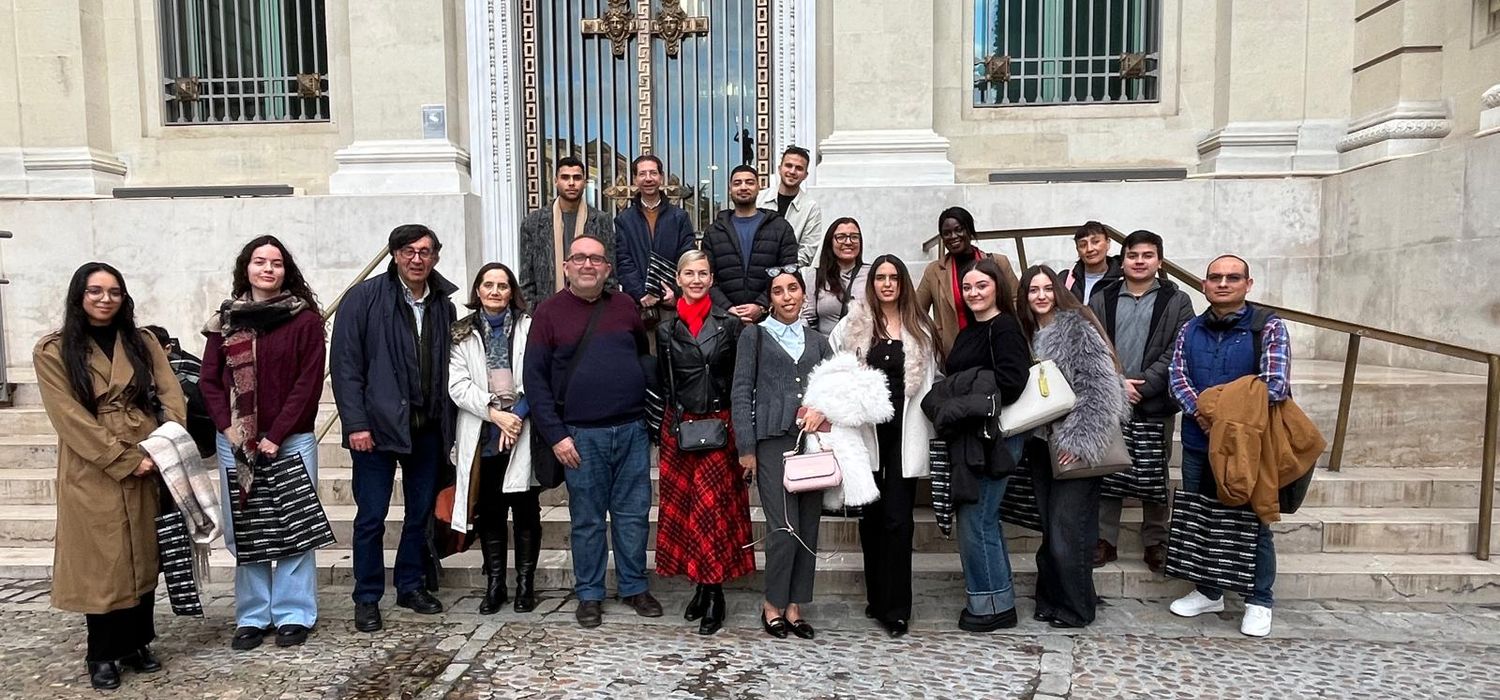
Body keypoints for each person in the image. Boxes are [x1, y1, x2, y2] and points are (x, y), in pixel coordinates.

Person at [34, 262, 186, 690]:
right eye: (96, 291)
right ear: (79, 296)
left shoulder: (142, 341)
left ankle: (138, 642)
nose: (106, 299)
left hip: (148, 449)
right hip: (93, 464)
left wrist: (165, 442)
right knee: (104, 561)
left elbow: (171, 392)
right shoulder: (53, 350)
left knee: (143, 553)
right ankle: (101, 652)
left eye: (114, 292)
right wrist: (122, 458)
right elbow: (68, 415)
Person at [523, 235, 661, 629]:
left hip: (631, 431)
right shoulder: (548, 313)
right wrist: (556, 435)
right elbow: (534, 380)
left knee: (633, 515)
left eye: (596, 259)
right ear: (566, 266)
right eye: (580, 258)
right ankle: (589, 593)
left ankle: (634, 586)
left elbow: (641, 354)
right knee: (587, 520)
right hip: (580, 437)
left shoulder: (625, 306)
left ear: (607, 268)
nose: (588, 265)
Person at [330, 224, 459, 632]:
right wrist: (355, 423)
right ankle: (367, 596)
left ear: (435, 256)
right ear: (394, 255)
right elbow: (346, 366)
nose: (417, 259)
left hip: (426, 427)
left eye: (425, 251)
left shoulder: (443, 303)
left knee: (419, 514)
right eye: (408, 251)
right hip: (376, 429)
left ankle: (410, 584)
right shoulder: (363, 298)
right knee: (372, 515)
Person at [199, 236, 326, 651]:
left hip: (290, 439)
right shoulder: (226, 319)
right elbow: (209, 380)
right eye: (260, 261)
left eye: (276, 263)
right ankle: (252, 615)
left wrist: (275, 435)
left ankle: (293, 613)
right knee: (246, 528)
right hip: (235, 441)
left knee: (294, 524)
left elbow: (308, 382)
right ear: (246, 268)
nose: (268, 269)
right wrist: (227, 427)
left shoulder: (305, 320)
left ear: (286, 270)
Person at [1167, 254, 1291, 638]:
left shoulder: (1268, 327)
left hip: (1247, 447)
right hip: (1198, 442)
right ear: (1204, 285)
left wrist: (1219, 416)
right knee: (1202, 516)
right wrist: (1202, 412)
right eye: (1215, 277)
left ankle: (1259, 599)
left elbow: (1273, 385)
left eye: (1232, 277)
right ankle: (1209, 591)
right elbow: (1178, 377)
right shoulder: (1190, 329)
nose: (1223, 283)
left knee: (1254, 522)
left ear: (1247, 284)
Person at [826, 255, 939, 638]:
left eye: (894, 277)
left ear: (902, 282)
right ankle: (876, 598)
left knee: (899, 519)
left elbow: (930, 379)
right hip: (866, 431)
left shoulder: (919, 326)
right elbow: (836, 367)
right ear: (872, 283)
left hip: (904, 432)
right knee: (871, 518)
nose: (887, 284)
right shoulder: (854, 323)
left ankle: (897, 608)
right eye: (880, 277)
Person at [1015, 265, 1129, 629]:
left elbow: (1101, 388)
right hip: (1040, 446)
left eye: (1047, 288)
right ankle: (1050, 599)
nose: (1041, 296)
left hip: (1074, 445)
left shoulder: (1076, 327)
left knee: (1069, 531)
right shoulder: (1025, 333)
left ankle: (1077, 608)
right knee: (1052, 530)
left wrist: (1079, 441)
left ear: (1058, 292)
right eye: (1033, 290)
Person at [922, 257, 1031, 633]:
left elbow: (1012, 382)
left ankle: (992, 606)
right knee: (983, 519)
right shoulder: (970, 330)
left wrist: (962, 393)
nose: (973, 293)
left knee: (976, 519)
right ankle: (998, 598)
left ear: (997, 287)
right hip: (973, 437)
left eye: (981, 285)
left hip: (995, 438)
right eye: (967, 287)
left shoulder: (1005, 328)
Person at [653, 250, 755, 636]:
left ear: (712, 279)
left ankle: (714, 594)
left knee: (712, 513)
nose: (696, 280)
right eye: (689, 274)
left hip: (719, 427)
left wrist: (742, 433)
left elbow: (741, 382)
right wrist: (669, 424)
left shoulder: (730, 325)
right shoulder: (666, 329)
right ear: (678, 279)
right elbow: (665, 382)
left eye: (703, 274)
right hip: (680, 427)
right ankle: (699, 585)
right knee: (685, 512)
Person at [731, 267, 834, 640]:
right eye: (778, 291)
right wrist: (746, 447)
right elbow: (741, 390)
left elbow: (837, 386)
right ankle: (773, 603)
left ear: (804, 294)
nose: (787, 296)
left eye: (793, 289)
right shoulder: (754, 335)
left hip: (812, 443)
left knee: (808, 527)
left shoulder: (819, 341)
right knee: (784, 529)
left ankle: (795, 605)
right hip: (773, 441)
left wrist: (824, 409)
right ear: (770, 298)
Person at [1086, 230, 1194, 571]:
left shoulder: (1177, 300)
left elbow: (1179, 348)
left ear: (1159, 261)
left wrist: (1144, 385)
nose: (1139, 261)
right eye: (1133, 255)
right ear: (1123, 261)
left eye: (1147, 255)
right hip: (1111, 397)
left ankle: (1156, 541)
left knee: (1155, 470)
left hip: (1155, 400)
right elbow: (1091, 344)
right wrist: (1118, 385)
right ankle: (1105, 539)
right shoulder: (1102, 297)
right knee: (1108, 467)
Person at [447, 263, 542, 615]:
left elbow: (538, 373)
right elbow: (458, 385)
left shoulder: (530, 327)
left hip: (522, 427)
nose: (495, 291)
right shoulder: (461, 332)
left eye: (502, 285)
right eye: (488, 285)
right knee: (490, 512)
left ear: (511, 291)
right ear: (478, 290)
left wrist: (516, 416)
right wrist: (495, 414)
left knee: (526, 510)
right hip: (483, 431)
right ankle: (495, 584)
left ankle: (525, 585)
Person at [916, 206, 1020, 357]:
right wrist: (936, 336)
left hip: (998, 346)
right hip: (956, 353)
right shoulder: (934, 271)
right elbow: (916, 310)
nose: (953, 236)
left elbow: (1016, 300)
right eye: (946, 233)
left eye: (959, 229)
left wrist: (1009, 330)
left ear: (969, 230)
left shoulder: (998, 262)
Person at [702, 165, 799, 325]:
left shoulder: (780, 227)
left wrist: (761, 305)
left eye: (749, 182)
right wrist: (728, 308)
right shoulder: (714, 232)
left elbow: (789, 271)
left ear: (758, 187)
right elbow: (708, 278)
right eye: (737, 183)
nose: (743, 187)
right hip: (724, 322)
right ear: (730, 189)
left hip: (771, 320)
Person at [518, 156, 615, 301]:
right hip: (547, 307)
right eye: (565, 177)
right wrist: (533, 311)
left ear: (584, 182)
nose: (571, 183)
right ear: (555, 181)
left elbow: (610, 275)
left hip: (592, 306)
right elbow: (527, 279)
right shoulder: (533, 222)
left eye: (577, 178)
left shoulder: (601, 220)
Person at [614, 155, 697, 323]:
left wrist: (675, 291)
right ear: (635, 179)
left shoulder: (679, 217)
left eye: (653, 173)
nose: (648, 178)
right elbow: (623, 260)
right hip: (638, 304)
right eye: (642, 174)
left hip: (672, 302)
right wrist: (641, 293)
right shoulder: (624, 220)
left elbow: (687, 258)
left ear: (661, 177)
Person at [801, 217, 870, 335]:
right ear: (830, 242)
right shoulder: (813, 276)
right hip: (825, 344)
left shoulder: (871, 273)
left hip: (863, 343)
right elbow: (807, 319)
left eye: (854, 237)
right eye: (841, 237)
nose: (848, 242)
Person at [755, 146, 823, 266]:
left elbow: (808, 250)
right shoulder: (759, 199)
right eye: (788, 165)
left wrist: (783, 270)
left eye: (799, 168)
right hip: (756, 269)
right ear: (779, 168)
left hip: (789, 273)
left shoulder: (811, 208)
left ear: (805, 175)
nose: (792, 171)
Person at [1060, 221, 1122, 304]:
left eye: (1095, 242)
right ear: (1077, 250)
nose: (1089, 249)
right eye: (1083, 245)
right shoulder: (1065, 279)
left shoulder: (1122, 279)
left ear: (1108, 243)